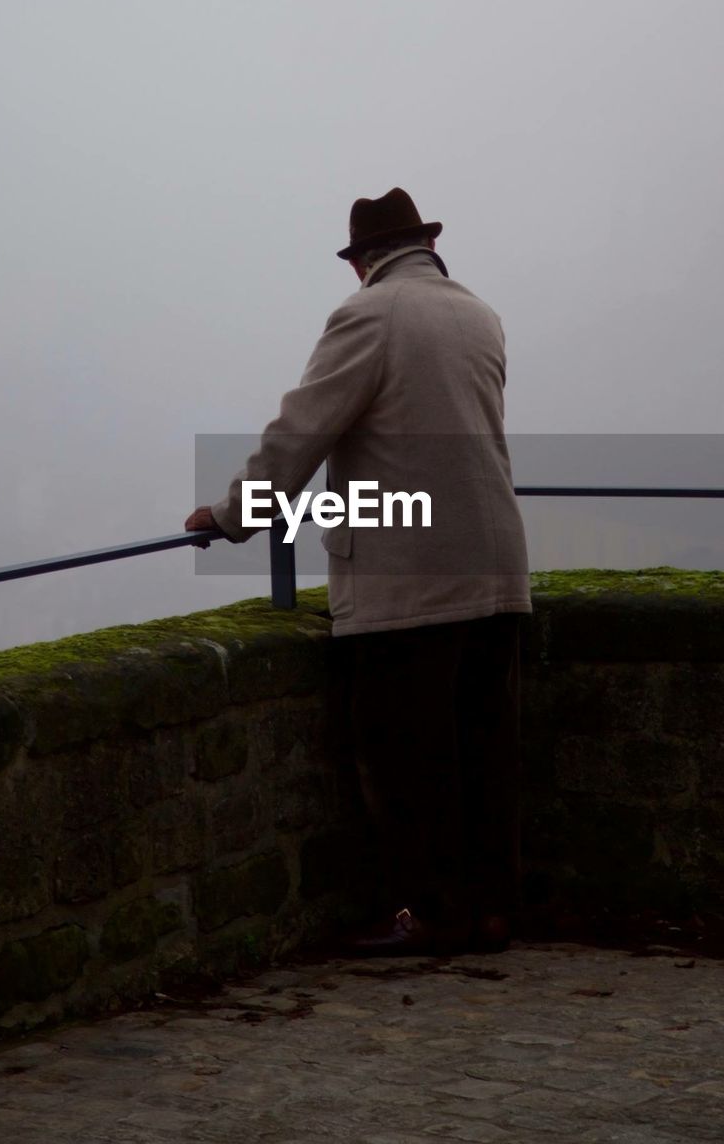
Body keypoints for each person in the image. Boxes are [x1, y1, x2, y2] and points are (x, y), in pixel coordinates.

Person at [186, 187, 531, 955]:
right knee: (485, 749)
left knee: (408, 756)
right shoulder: (480, 314)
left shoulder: (368, 317)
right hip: (498, 562)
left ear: (363, 262)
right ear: (425, 249)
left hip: (408, 574)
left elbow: (302, 428)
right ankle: (492, 910)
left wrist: (236, 513)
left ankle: (433, 915)